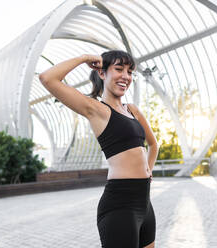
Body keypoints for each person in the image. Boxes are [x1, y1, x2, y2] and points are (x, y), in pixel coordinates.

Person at [39, 50, 159, 248]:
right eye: (119, 69)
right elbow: (48, 78)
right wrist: (85, 58)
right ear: (102, 73)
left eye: (130, 72)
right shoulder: (97, 110)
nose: (126, 76)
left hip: (145, 203)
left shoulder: (133, 110)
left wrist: (149, 169)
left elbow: (153, 144)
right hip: (119, 206)